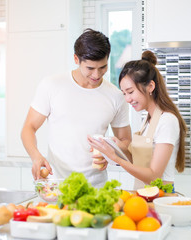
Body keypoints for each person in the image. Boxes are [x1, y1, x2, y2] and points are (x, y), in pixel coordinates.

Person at [21, 28, 131, 188]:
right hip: (56, 186)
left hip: (96, 187)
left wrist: (110, 156)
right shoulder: (52, 85)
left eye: (103, 67)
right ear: (76, 59)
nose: (97, 74)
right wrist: (36, 156)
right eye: (90, 68)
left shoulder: (116, 96)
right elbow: (28, 128)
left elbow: (125, 140)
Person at [88, 50, 187, 190]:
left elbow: (154, 176)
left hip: (162, 195)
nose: (127, 99)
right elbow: (140, 163)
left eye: (130, 92)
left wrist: (116, 158)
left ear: (150, 86)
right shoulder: (148, 119)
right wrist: (118, 148)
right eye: (124, 94)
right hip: (143, 192)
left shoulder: (167, 121)